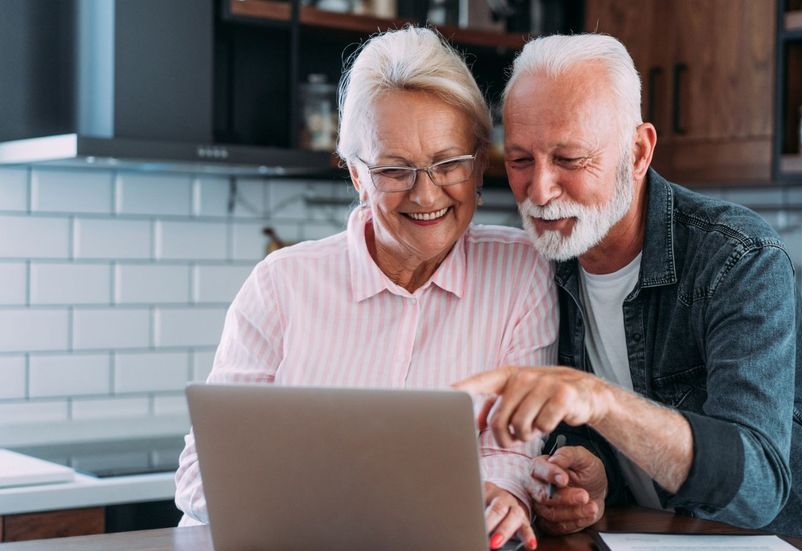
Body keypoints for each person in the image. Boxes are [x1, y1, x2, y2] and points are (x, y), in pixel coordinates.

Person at [454, 34, 802, 551]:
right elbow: (628, 420)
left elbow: (758, 485)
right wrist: (597, 472)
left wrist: (600, 401)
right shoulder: (546, 266)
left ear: (637, 152)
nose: (540, 190)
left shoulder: (739, 258)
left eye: (569, 158)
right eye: (521, 160)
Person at [174, 27, 556, 550]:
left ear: (477, 161)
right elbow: (201, 473)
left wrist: (505, 494)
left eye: (448, 164)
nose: (426, 194)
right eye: (394, 170)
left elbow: (517, 450)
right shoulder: (282, 284)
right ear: (356, 174)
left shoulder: (522, 272)